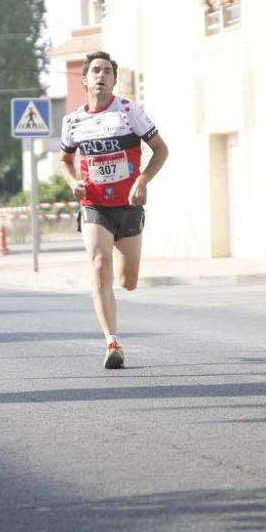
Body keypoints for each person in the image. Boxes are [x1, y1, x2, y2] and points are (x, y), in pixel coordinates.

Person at [59, 51, 169, 369]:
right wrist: (72, 182)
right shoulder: (73, 121)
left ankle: (121, 278)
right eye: (95, 71)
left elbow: (161, 149)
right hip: (94, 204)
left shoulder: (128, 111)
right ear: (84, 79)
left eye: (107, 71)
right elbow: (65, 160)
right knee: (99, 263)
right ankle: (112, 342)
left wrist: (143, 180)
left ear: (114, 79)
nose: (101, 76)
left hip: (129, 205)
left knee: (128, 280)